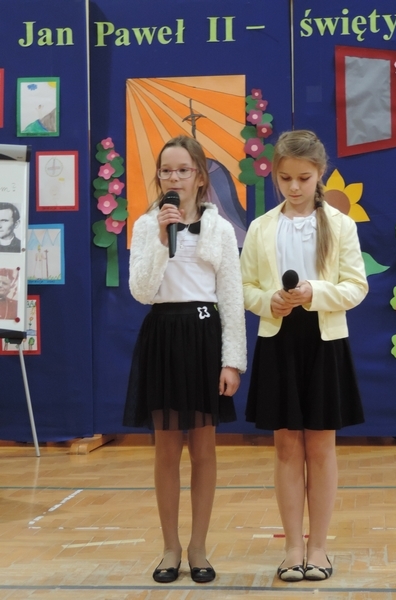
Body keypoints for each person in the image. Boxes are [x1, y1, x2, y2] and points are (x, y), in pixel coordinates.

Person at [240, 130, 368, 582]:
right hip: (279, 341)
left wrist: (315, 291)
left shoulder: (340, 225)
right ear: (275, 175)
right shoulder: (260, 227)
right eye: (285, 178)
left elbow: (356, 287)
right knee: (286, 446)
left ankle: (319, 548)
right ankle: (292, 547)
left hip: (324, 340)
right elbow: (245, 287)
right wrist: (268, 301)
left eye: (304, 178)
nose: (294, 187)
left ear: (320, 175)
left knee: (320, 445)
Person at [123, 135, 246, 584]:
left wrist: (232, 361)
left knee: (204, 448)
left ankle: (198, 547)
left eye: (182, 170)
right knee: (167, 448)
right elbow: (141, 291)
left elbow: (230, 298)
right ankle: (170, 547)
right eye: (166, 170)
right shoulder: (145, 225)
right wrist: (161, 239)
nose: (173, 178)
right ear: (159, 177)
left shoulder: (220, 228)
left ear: (199, 176)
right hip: (164, 334)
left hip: (204, 336)